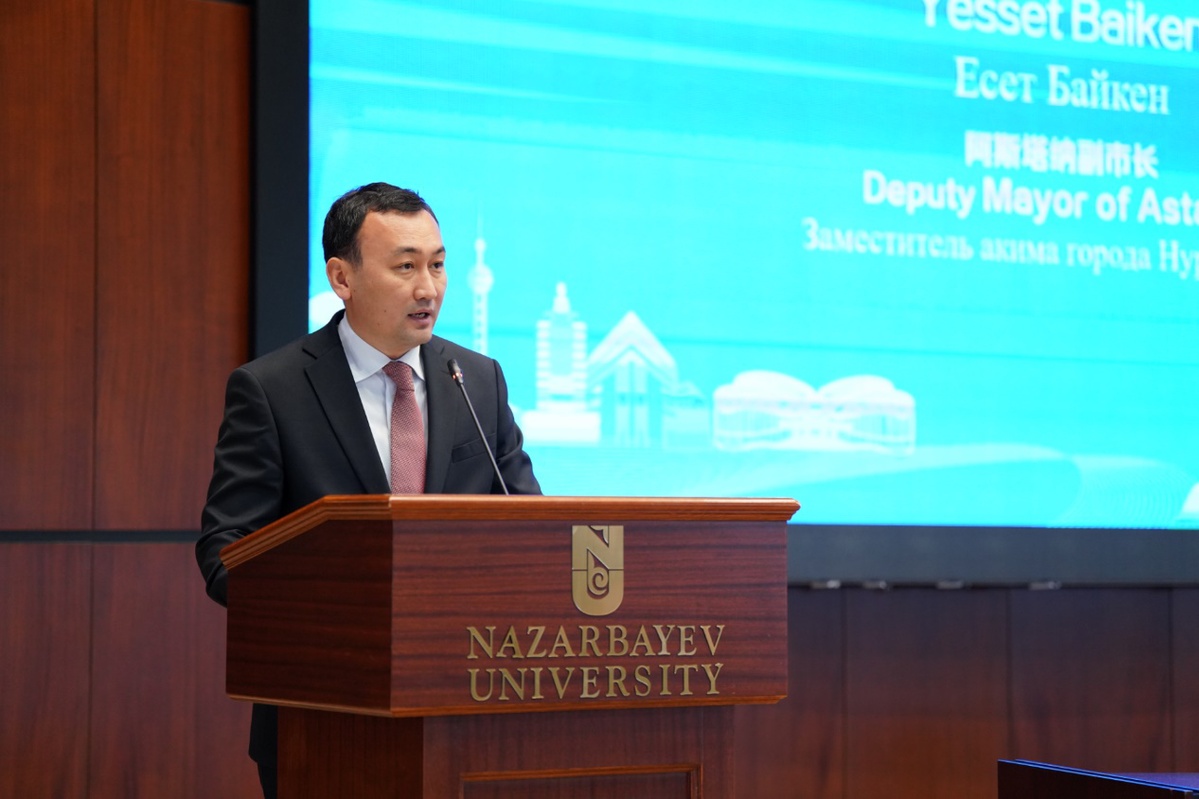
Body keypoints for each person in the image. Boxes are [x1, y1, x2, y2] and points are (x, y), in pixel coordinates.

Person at [196, 182, 541, 798]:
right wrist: (340, 608)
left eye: (437, 265)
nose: (428, 288)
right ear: (342, 277)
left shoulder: (476, 379)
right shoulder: (272, 390)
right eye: (406, 267)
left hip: (469, 713)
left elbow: (531, 532)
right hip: (323, 718)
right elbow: (227, 552)